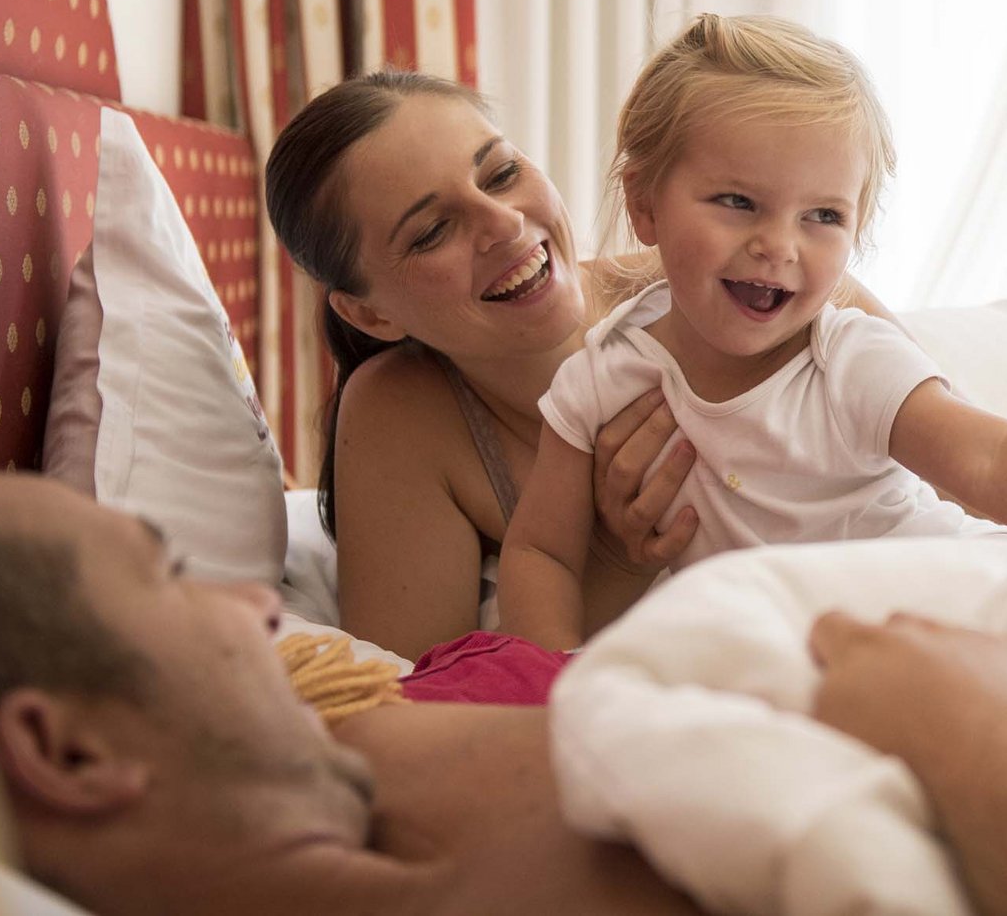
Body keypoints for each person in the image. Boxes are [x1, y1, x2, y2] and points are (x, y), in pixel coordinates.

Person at [0, 465, 1007, 916]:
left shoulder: (363, 758)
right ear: (70, 752)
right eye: (166, 576)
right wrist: (1000, 749)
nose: (257, 605)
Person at [501, 14, 1007, 650]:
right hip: (795, 649)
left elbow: (988, 458)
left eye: (823, 216)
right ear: (644, 205)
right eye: (738, 202)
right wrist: (555, 680)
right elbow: (542, 554)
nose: (779, 244)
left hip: (950, 602)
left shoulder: (844, 358)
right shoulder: (602, 375)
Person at [265, 71, 895, 661]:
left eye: (501, 173)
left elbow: (949, 488)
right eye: (432, 231)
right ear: (370, 316)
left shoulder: (751, 293)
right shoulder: (404, 414)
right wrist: (618, 557)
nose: (504, 222)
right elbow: (434, 698)